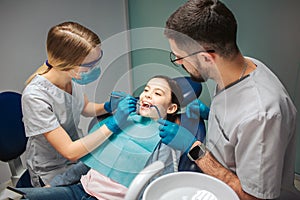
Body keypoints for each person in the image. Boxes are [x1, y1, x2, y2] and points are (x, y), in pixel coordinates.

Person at [158, 0, 299, 199]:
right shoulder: (238, 68)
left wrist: (194, 148)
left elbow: (253, 197)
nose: (179, 63)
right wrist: (212, 113)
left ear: (207, 57)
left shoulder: (262, 115)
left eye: (179, 57)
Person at [17, 75, 183, 199]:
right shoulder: (124, 122)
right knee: (17, 197)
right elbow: (90, 161)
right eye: (146, 90)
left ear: (171, 108)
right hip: (80, 189)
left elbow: (158, 187)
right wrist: (53, 185)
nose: (147, 95)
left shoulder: (167, 139)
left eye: (157, 93)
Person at [21, 21, 137, 187]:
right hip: (51, 170)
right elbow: (70, 151)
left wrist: (107, 106)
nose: (96, 68)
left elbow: (83, 107)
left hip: (77, 159)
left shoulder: (71, 77)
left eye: (98, 59)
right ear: (67, 64)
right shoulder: (35, 96)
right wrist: (114, 123)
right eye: (90, 65)